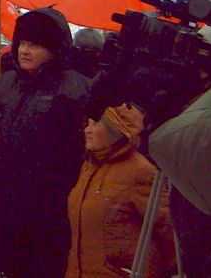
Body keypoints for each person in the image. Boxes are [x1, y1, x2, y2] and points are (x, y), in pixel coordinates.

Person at [0, 7, 89, 278]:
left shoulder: (73, 89)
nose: (24, 50)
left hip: (51, 209)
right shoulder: (4, 85)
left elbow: (80, 151)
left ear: (54, 48)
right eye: (22, 42)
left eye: (34, 44)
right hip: (4, 203)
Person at [66, 105, 175, 277]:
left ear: (115, 130)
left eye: (95, 125)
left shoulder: (140, 171)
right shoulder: (88, 166)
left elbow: (168, 229)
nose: (87, 130)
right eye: (87, 123)